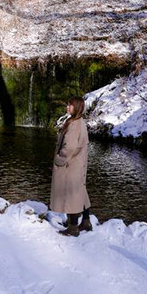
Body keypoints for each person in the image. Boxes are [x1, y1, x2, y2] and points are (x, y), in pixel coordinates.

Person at [50, 96, 92, 237]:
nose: (68, 107)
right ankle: (86, 221)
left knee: (71, 195)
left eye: (71, 105)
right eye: (68, 104)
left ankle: (73, 227)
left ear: (78, 107)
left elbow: (69, 147)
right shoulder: (79, 121)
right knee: (80, 191)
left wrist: (59, 160)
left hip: (70, 165)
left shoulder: (74, 124)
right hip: (78, 164)